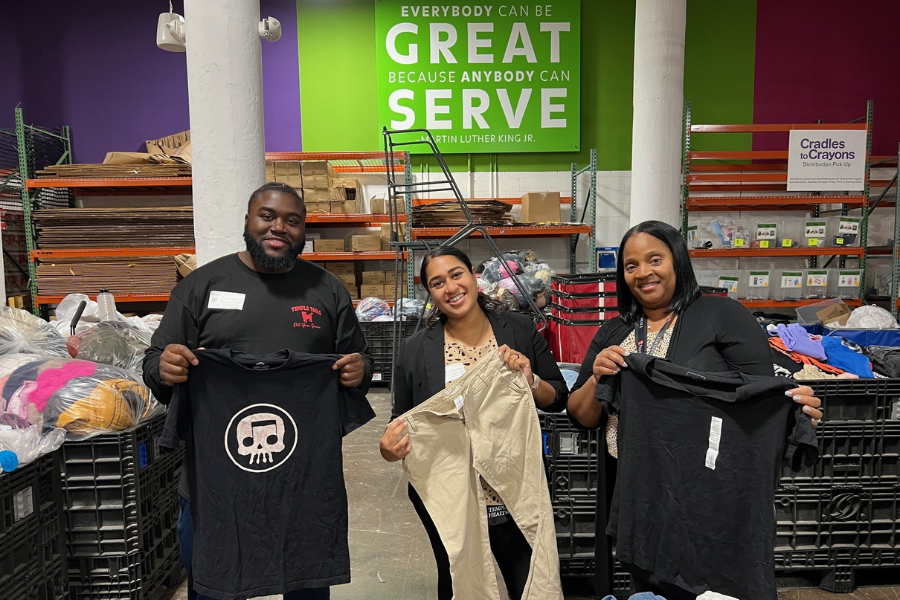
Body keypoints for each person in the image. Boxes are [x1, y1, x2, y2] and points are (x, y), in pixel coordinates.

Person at [566, 220, 823, 598]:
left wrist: (792, 407)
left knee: (707, 584)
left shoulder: (722, 315)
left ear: (678, 261)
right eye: (631, 265)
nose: (643, 273)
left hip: (705, 489)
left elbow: (757, 395)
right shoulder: (614, 331)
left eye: (655, 259)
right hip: (638, 488)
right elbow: (581, 415)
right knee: (649, 582)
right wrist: (596, 377)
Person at [143, 182, 374, 600]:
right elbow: (155, 364)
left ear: (304, 231)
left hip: (303, 482)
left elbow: (359, 361)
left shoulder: (326, 290)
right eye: (267, 216)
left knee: (306, 583)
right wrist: (164, 366)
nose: (278, 227)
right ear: (248, 221)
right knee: (214, 585)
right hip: (214, 483)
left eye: (292, 220)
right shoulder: (201, 286)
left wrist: (360, 370)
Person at [379, 246, 567, 600]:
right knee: (457, 581)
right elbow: (401, 421)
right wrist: (389, 448)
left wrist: (531, 380)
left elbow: (558, 397)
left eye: (456, 274)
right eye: (437, 283)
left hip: (513, 486)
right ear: (430, 294)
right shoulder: (416, 350)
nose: (450, 287)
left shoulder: (519, 329)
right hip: (452, 493)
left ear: (473, 276)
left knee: (528, 580)